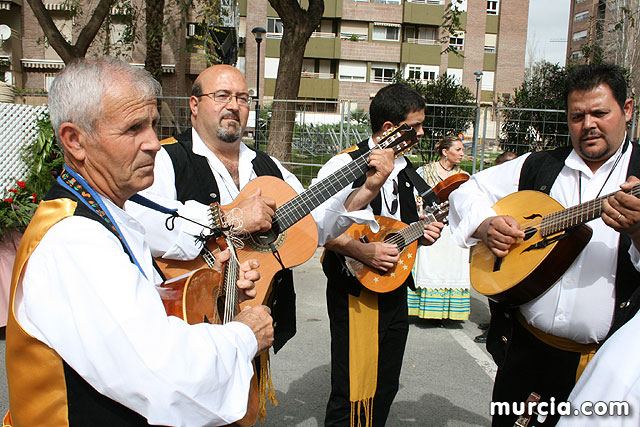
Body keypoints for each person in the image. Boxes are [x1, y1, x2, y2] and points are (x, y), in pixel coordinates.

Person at [5, 57, 274, 426]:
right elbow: (163, 374)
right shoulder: (75, 240)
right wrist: (244, 335)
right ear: (75, 140)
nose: (154, 144)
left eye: (152, 124)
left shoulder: (102, 212)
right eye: (134, 128)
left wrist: (217, 292)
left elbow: (143, 313)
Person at [448, 62, 640, 427]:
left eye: (600, 113)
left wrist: (638, 233)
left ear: (627, 109)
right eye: (577, 116)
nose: (588, 125)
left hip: (606, 371)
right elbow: (468, 190)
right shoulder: (539, 166)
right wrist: (486, 224)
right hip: (525, 355)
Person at [125, 64, 343, 353]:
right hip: (191, 319)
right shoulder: (166, 158)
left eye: (242, 98)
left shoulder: (269, 166)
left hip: (255, 323)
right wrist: (231, 220)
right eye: (222, 96)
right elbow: (142, 223)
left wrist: (364, 189)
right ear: (195, 104)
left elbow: (314, 226)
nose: (233, 106)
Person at [316, 83, 444, 427]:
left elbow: (400, 230)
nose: (421, 133)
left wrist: (423, 234)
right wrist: (364, 251)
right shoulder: (343, 164)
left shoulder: (407, 171)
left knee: (386, 383)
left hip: (394, 291)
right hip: (354, 290)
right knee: (352, 388)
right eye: (415, 126)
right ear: (390, 129)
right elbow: (319, 229)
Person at [407, 135, 471, 323]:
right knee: (429, 267)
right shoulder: (425, 172)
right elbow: (413, 196)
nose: (462, 154)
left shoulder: (463, 177)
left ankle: (447, 312)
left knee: (451, 267)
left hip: (452, 227)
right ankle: (424, 309)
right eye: (458, 150)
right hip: (430, 225)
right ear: (445, 152)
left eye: (462, 150)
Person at [474, 150, 518, 343]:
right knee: (493, 290)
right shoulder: (494, 189)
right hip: (493, 245)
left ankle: (498, 327)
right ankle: (493, 324)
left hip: (515, 248)